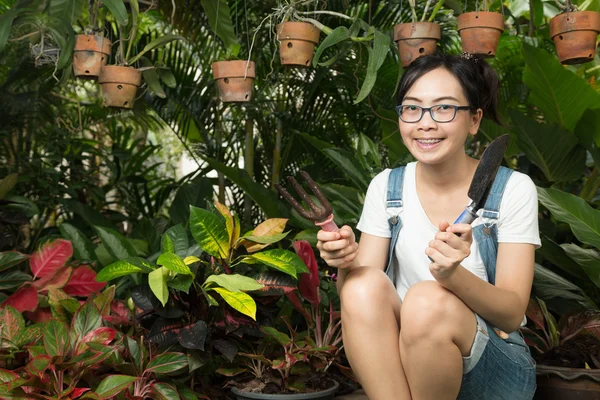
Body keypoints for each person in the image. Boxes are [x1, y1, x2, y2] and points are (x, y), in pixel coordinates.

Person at [316, 53, 540, 400]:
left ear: (474, 119)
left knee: (426, 300)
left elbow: (511, 315)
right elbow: (359, 299)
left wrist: (452, 276)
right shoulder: (386, 187)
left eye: (444, 108)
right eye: (412, 108)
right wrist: (344, 262)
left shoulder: (512, 189)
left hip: (492, 371)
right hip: (403, 373)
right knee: (361, 284)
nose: (425, 123)